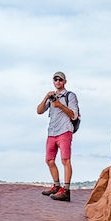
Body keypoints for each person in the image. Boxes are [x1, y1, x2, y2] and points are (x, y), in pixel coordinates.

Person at [37, 72, 79, 201]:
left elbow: (74, 115)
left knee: (65, 160)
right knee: (49, 160)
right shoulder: (52, 97)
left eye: (60, 79)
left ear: (64, 81)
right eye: (55, 79)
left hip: (65, 131)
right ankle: (56, 186)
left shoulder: (70, 96)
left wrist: (59, 105)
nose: (58, 81)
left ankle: (66, 191)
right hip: (52, 132)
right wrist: (46, 98)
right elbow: (39, 111)